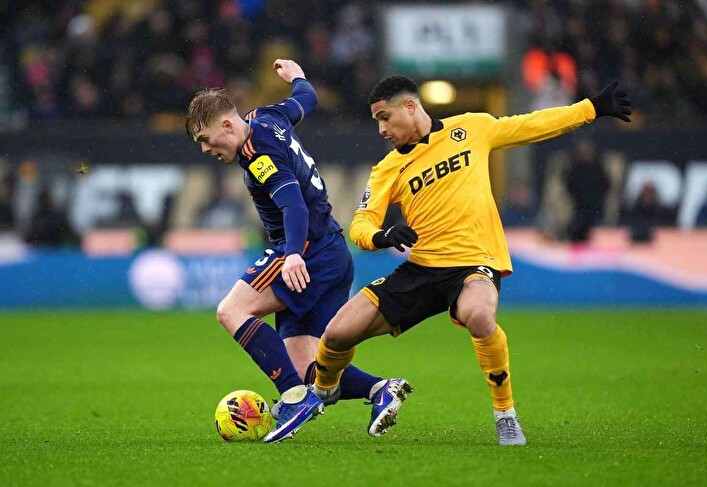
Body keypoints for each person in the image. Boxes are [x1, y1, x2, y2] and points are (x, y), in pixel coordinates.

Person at [309, 77, 631, 445]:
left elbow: (532, 125)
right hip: (422, 268)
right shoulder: (387, 168)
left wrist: (591, 109)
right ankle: (322, 390)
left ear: (410, 107)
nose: (381, 129)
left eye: (385, 117)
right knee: (337, 333)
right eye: (376, 121)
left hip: (474, 263)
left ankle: (505, 414)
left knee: (479, 316)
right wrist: (380, 236)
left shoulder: (471, 128)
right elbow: (360, 223)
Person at [185, 59, 396, 443]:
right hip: (332, 251)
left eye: (206, 138)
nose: (204, 148)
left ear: (228, 126)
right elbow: (305, 99)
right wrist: (298, 76)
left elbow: (293, 205)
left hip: (306, 250)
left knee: (231, 310)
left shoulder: (257, 154)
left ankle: (294, 400)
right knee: (306, 368)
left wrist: (294, 254)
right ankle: (379, 389)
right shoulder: (267, 117)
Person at [564, 138, 609, 243]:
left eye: (586, 152)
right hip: (579, 208)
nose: (584, 155)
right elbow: (569, 186)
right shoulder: (575, 169)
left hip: (596, 208)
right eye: (582, 152)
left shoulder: (597, 168)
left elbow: (606, 185)